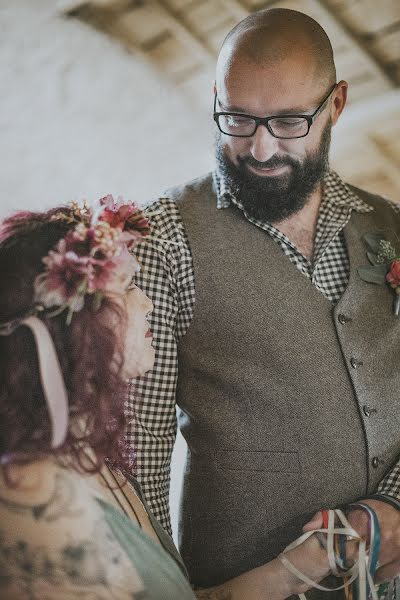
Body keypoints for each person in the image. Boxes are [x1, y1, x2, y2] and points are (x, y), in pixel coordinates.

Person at [128, 7, 400, 599]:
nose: (259, 147)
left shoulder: (388, 225)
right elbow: (139, 458)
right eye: (238, 118)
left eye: (287, 122)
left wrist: (393, 505)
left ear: (336, 105)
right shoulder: (163, 238)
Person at [0, 198, 343, 599]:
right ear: (73, 327)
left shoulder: (96, 458)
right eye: (127, 288)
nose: (146, 303)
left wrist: (305, 564)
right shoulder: (33, 495)